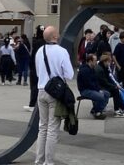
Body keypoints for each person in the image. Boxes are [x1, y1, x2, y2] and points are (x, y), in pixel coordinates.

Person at [34, 25, 74, 165]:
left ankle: (39, 160)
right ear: (55, 36)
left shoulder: (40, 51)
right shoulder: (62, 51)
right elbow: (69, 74)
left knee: (42, 127)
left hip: (41, 91)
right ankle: (49, 162)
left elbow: (38, 73)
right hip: (55, 94)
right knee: (52, 129)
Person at [96, 52, 124, 116]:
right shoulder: (100, 69)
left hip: (103, 85)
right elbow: (104, 82)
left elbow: (108, 80)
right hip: (101, 87)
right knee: (115, 91)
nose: (110, 63)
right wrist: (114, 86)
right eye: (109, 62)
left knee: (116, 90)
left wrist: (115, 85)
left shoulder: (104, 68)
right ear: (105, 61)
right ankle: (118, 109)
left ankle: (122, 108)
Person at [77, 53, 110, 119]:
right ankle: (97, 112)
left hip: (91, 89)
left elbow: (95, 81)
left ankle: (96, 110)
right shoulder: (84, 70)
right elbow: (88, 83)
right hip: (85, 90)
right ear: (90, 61)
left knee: (107, 94)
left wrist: (99, 89)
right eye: (95, 60)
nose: (96, 62)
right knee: (101, 96)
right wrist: (98, 90)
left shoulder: (92, 69)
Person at [26, 25, 45, 110]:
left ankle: (32, 104)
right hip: (44, 67)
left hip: (35, 67)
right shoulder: (46, 42)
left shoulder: (36, 42)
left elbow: (33, 55)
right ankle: (40, 104)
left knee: (34, 86)